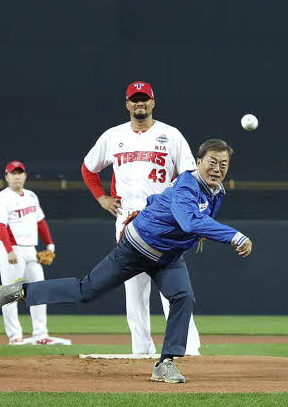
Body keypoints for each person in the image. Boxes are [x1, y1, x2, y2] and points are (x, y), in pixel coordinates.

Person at [0, 139, 253, 383]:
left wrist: (172, 219)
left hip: (168, 257)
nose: (217, 169)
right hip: (136, 248)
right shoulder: (187, 184)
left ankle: (166, 363)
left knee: (183, 297)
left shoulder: (216, 192)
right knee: (86, 291)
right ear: (198, 163)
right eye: (212, 162)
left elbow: (161, 202)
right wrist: (235, 236)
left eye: (223, 164)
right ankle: (22, 290)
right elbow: (188, 220)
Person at [81, 81, 201, 356]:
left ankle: (188, 349)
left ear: (153, 102)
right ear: (127, 104)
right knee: (134, 293)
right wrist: (101, 197)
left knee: (174, 291)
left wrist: (190, 217)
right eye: (134, 100)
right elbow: (88, 168)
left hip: (165, 223)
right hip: (127, 224)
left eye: (144, 99)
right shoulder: (113, 136)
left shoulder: (171, 135)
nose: (139, 104)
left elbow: (190, 178)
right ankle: (141, 351)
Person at [0, 160, 57, 345]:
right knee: (11, 294)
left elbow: (40, 222)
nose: (17, 176)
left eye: (20, 172)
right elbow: (0, 225)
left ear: (25, 176)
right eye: (13, 173)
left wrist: (49, 244)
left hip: (31, 250)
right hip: (11, 250)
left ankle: (40, 334)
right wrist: (9, 250)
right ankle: (14, 336)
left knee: (39, 292)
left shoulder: (31, 196)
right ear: (7, 177)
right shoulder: (2, 198)